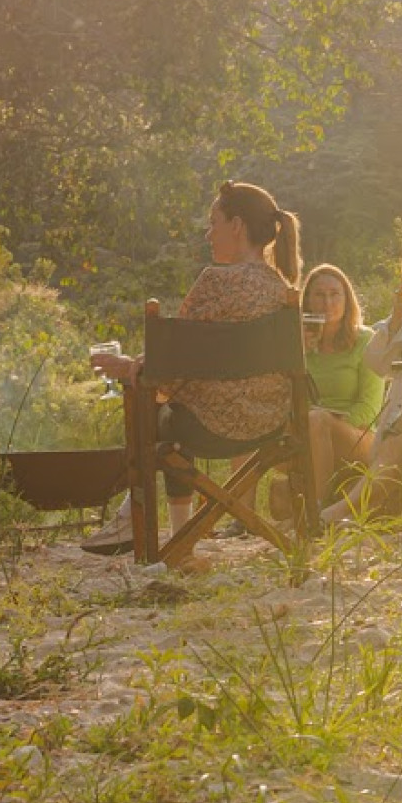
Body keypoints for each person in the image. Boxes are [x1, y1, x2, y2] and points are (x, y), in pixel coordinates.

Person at [83, 181, 300, 559]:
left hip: (208, 427)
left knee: (153, 406)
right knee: (167, 396)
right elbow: (196, 357)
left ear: (236, 226)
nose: (207, 233)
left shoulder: (215, 282)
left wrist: (130, 368)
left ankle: (171, 536)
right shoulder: (282, 290)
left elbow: (171, 367)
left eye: (213, 222)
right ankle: (152, 527)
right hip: (271, 422)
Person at [322, 234, 402, 524]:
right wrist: (394, 319)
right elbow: (377, 364)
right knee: (401, 436)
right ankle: (352, 511)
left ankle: (342, 512)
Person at [300, 264, 385, 504]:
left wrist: (329, 424)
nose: (327, 302)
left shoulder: (366, 340)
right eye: (319, 295)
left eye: (335, 294)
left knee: (317, 420)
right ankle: (241, 515)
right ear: (307, 301)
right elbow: (285, 399)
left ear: (347, 299)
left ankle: (317, 511)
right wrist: (297, 355)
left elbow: (370, 407)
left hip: (358, 434)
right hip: (308, 432)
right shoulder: (297, 346)